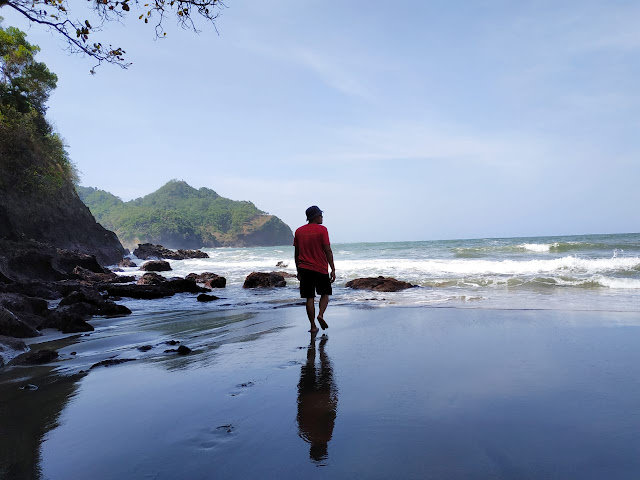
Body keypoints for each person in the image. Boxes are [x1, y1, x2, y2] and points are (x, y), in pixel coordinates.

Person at [294, 205, 336, 333]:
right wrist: (333, 269)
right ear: (315, 217)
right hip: (320, 268)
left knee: (309, 298)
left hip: (304, 268)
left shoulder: (299, 231)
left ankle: (312, 326)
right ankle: (321, 315)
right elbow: (327, 250)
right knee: (325, 294)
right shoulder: (322, 230)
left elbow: (297, 253)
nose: (322, 217)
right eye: (320, 215)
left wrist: (298, 270)